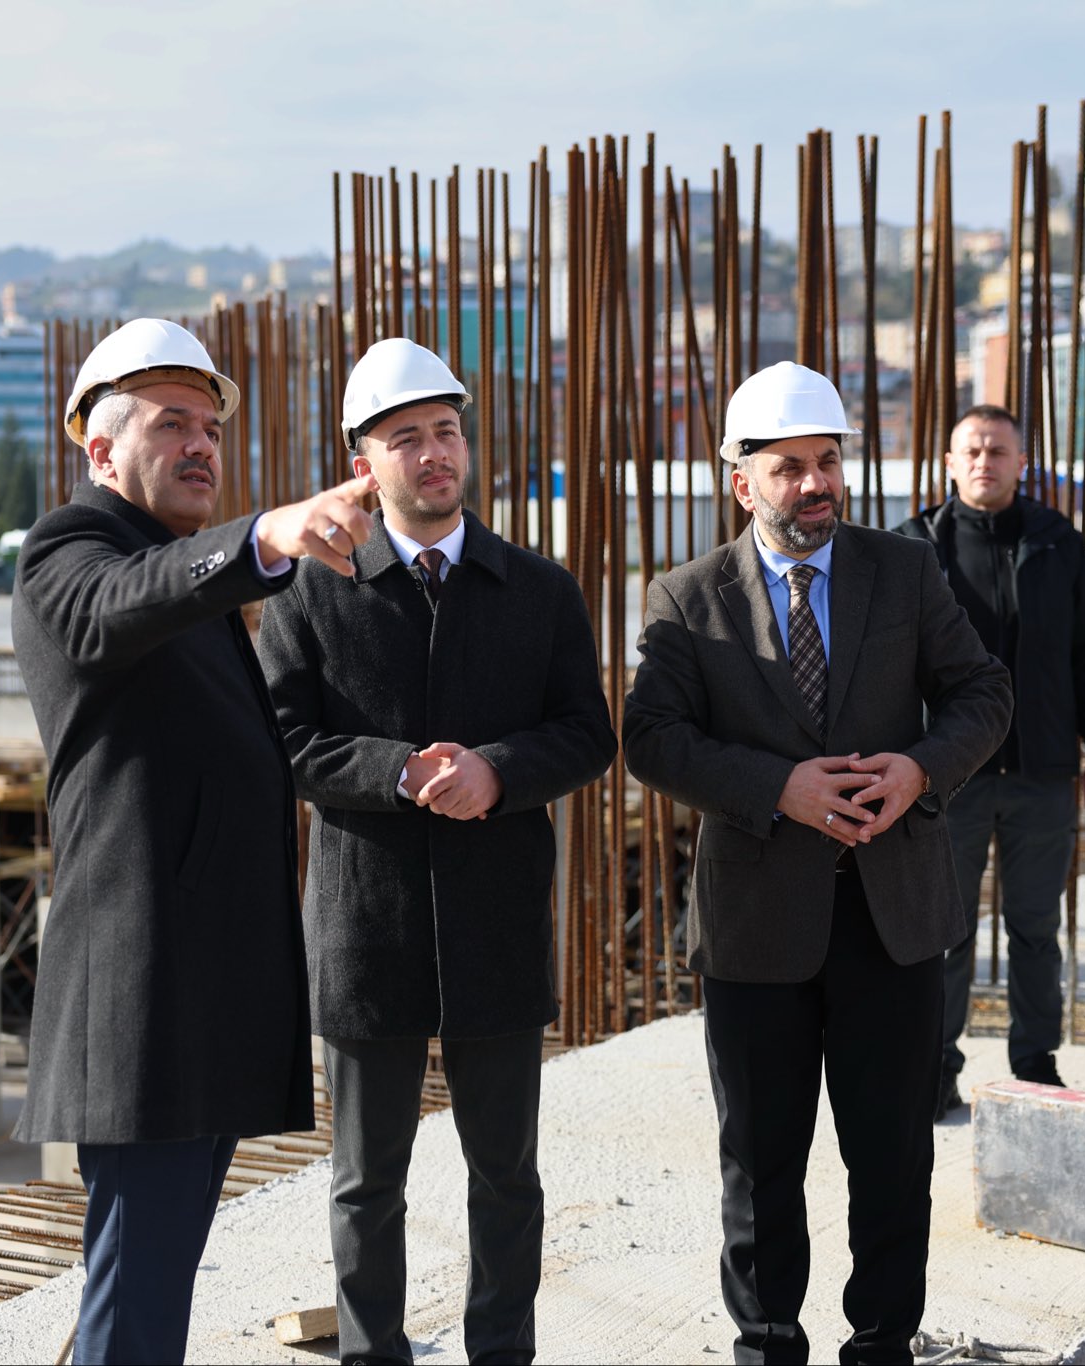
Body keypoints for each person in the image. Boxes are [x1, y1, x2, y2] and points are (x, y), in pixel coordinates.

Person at [623, 362, 1010, 1365]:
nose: (814, 485)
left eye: (828, 462)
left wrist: (918, 769)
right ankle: (765, 1342)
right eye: (789, 467)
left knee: (890, 1157)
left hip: (892, 918)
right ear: (739, 480)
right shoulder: (684, 598)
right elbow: (652, 740)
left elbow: (981, 695)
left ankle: (880, 1343)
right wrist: (776, 787)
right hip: (755, 924)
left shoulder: (904, 569)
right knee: (759, 1160)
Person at [10, 318, 378, 1365]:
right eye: (172, 423)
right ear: (99, 450)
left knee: (140, 1284)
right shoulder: (71, 552)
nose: (202, 445)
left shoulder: (184, 577)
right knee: (137, 1292)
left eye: (211, 426)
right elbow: (112, 608)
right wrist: (262, 537)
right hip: (144, 998)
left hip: (195, 992)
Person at [259, 338, 615, 1366]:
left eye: (446, 432)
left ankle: (500, 1352)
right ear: (360, 461)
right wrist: (398, 770)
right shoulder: (306, 594)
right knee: (366, 1180)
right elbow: (282, 745)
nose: (432, 455)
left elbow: (586, 731)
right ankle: (374, 1354)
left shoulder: (537, 590)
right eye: (405, 437)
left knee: (506, 1175)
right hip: (366, 931)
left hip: (496, 925)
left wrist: (497, 769)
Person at [893, 404, 1085, 1115]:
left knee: (1034, 928)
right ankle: (934, 1067)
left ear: (1022, 462)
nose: (984, 462)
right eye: (972, 450)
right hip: (946, 774)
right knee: (944, 930)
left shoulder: (1058, 544)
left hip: (1042, 770)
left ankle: (1035, 1068)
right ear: (950, 462)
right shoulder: (914, 548)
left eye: (998, 450)